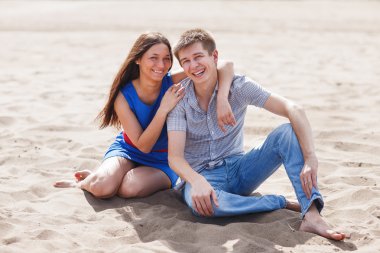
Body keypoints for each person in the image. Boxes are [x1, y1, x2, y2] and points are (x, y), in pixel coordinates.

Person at [167, 29, 346, 240]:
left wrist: (310, 157)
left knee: (286, 133)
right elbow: (175, 158)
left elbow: (294, 108)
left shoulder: (238, 87)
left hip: (240, 169)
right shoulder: (179, 99)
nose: (193, 66)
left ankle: (312, 215)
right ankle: (280, 202)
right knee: (206, 208)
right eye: (186, 61)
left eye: (198, 57)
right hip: (202, 176)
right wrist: (196, 181)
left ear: (214, 57)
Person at [54, 32, 236, 199]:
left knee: (129, 189)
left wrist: (222, 98)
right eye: (153, 58)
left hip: (166, 160)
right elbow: (143, 146)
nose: (161, 65)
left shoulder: (171, 80)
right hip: (129, 151)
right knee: (102, 189)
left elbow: (224, 64)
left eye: (166, 59)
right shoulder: (123, 96)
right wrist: (163, 109)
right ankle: (88, 181)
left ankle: (108, 177)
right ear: (138, 59)